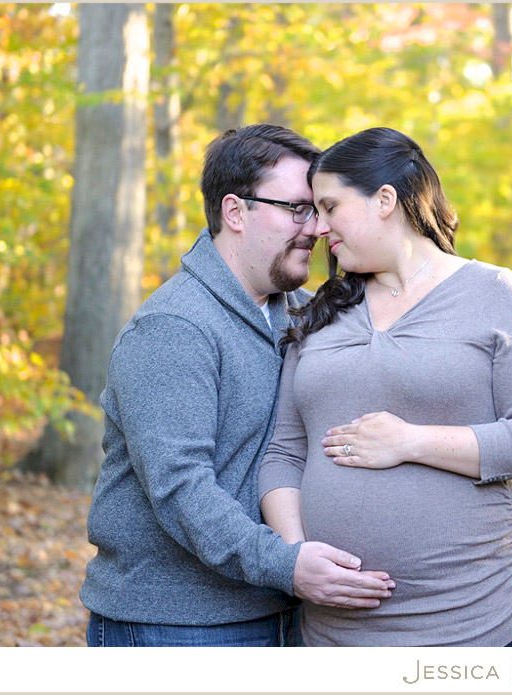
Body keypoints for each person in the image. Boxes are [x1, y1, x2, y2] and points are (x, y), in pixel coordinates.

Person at [80, 124, 394, 648]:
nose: (317, 229)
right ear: (235, 212)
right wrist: (287, 564)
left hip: (284, 611)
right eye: (298, 208)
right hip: (178, 627)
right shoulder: (174, 327)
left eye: (320, 210)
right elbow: (182, 489)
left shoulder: (303, 313)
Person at [259, 126, 512, 647]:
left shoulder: (494, 293)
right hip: (333, 631)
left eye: (331, 207)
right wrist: (297, 559)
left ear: (385, 200)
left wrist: (409, 442)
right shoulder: (319, 312)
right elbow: (284, 452)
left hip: (465, 618)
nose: (317, 227)